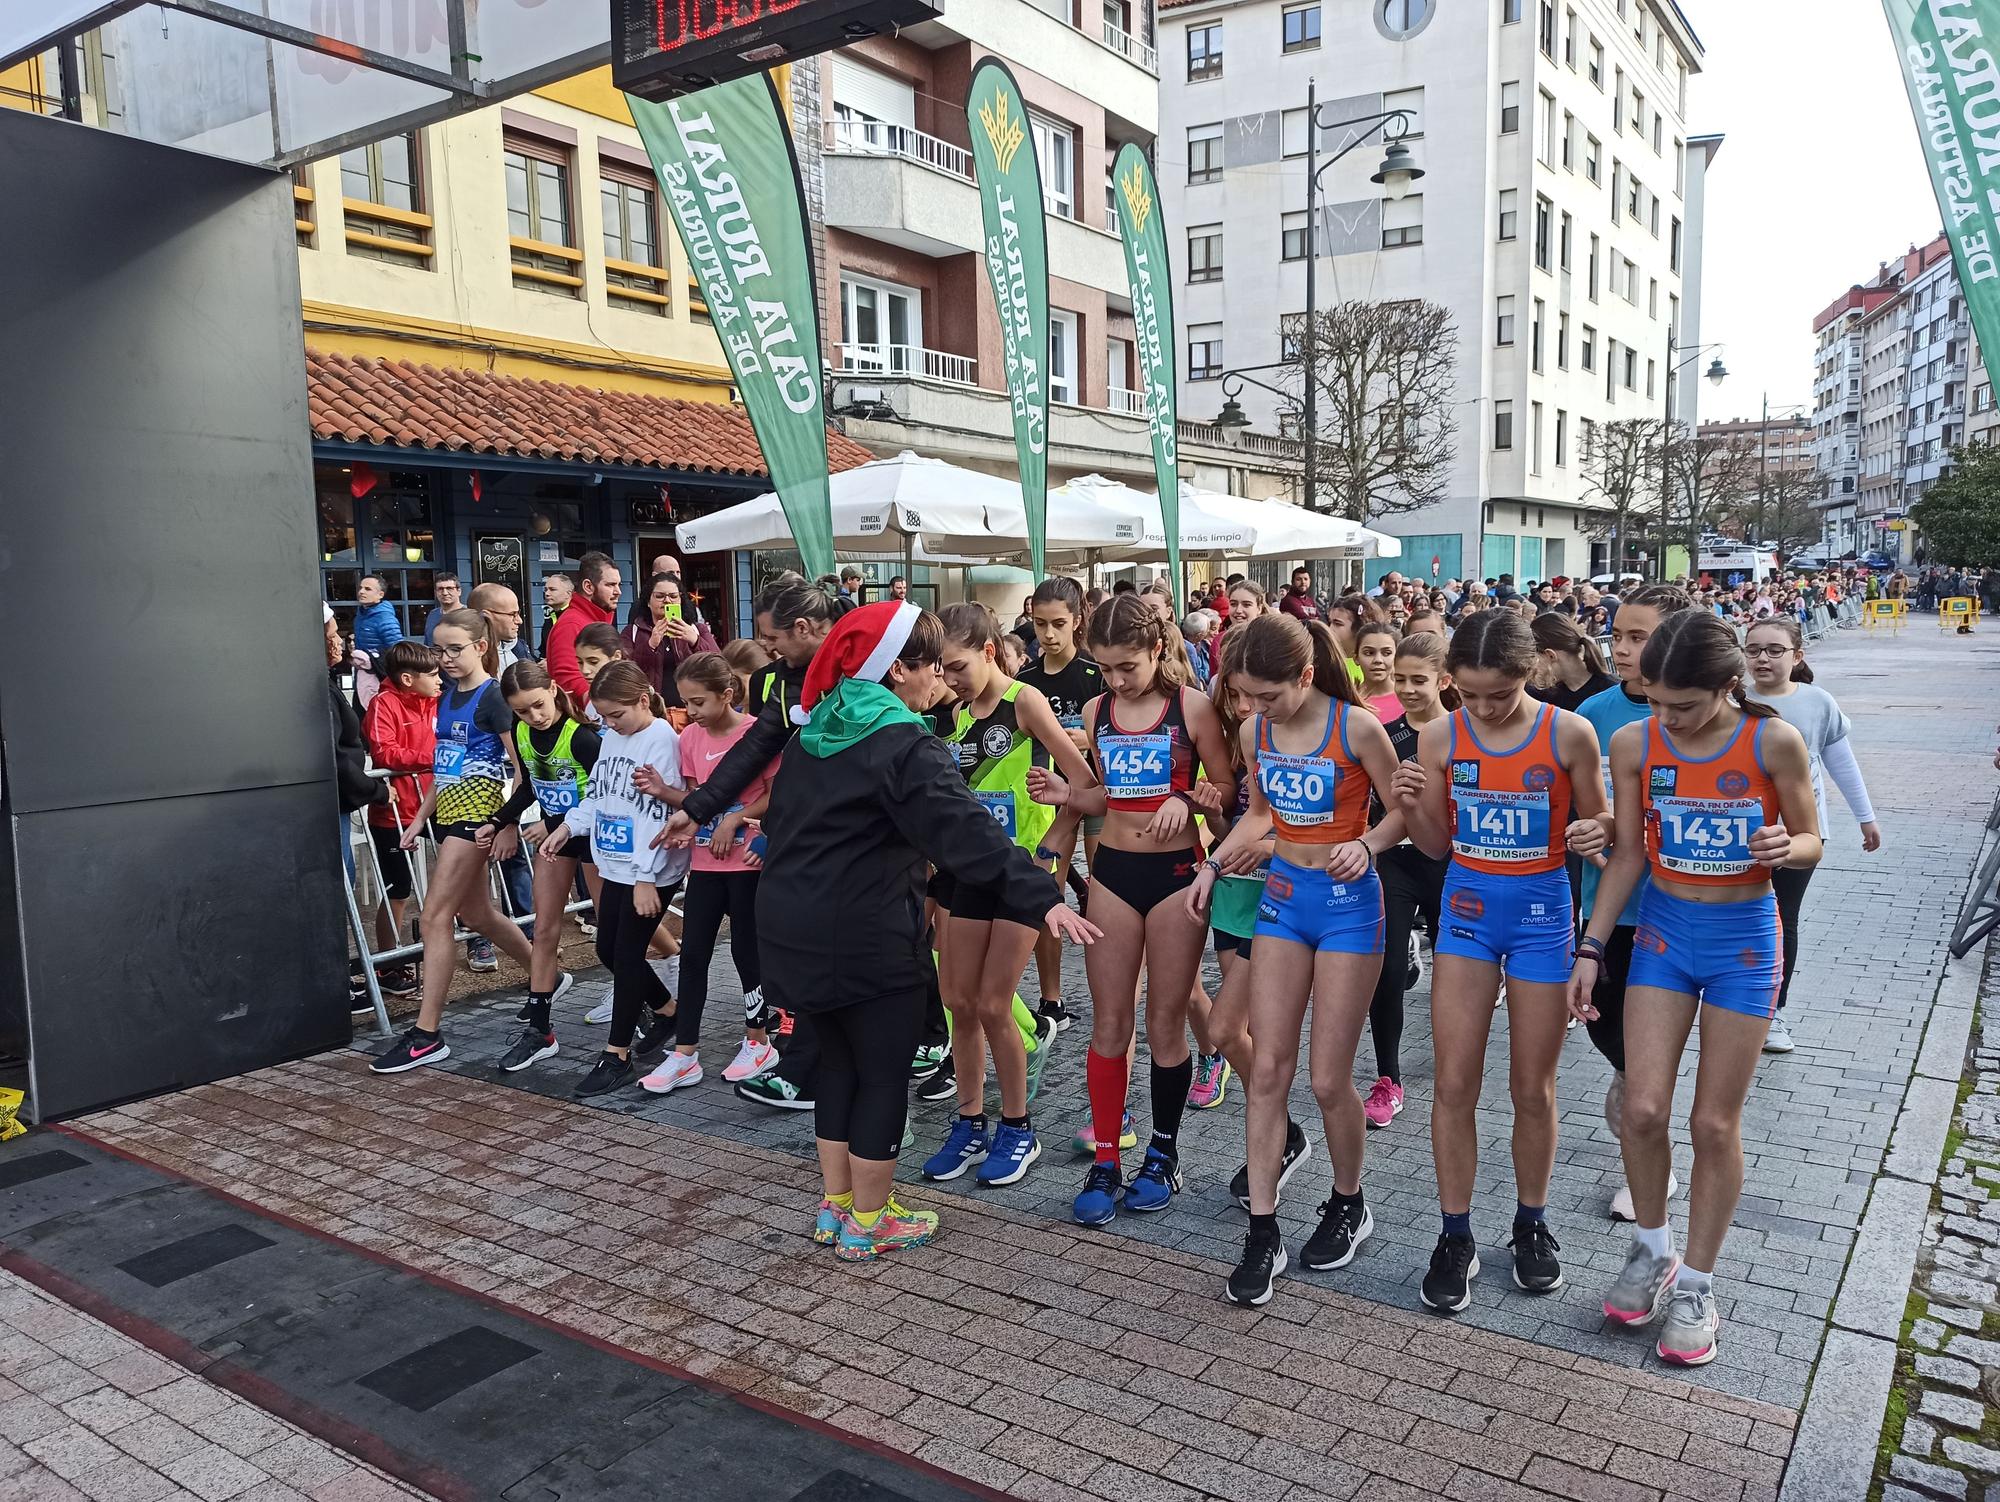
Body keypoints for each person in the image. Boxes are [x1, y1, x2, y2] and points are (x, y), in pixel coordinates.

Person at [758, 601, 1098, 1261]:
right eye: (930, 668)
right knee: (882, 1072)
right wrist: (1038, 893)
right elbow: (966, 828)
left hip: (792, 921)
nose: (937, 683)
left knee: (836, 1065)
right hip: (864, 928)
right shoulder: (903, 741)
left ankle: (835, 1206)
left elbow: (784, 824)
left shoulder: (814, 732)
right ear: (898, 669)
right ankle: (870, 1218)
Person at [1575, 611, 1822, 1367]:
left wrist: (1789, 846)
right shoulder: (1632, 743)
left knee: (1714, 1124)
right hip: (1662, 936)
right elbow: (1625, 857)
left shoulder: (1772, 740)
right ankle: (1654, 1252)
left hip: (1744, 940)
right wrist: (1589, 944)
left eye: (1683, 706)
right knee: (1643, 1108)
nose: (1666, 719)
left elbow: (1813, 838)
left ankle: (1699, 1286)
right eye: (1655, 702)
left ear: (1728, 686)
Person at [1391, 610, 1609, 1313]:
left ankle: (1532, 1223)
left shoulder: (1567, 732)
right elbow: (1431, 846)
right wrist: (1413, 803)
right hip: (1467, 916)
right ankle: (1455, 1234)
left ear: (1530, 673)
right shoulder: (1439, 734)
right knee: (1454, 1083)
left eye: (1500, 693)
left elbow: (1604, 830)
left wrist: (1590, 832)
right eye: (1471, 693)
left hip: (1544, 917)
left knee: (1531, 1087)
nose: (1483, 707)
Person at [1188, 614, 1404, 1306]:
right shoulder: (1256, 732)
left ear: (1306, 676)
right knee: (1267, 1071)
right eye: (1243, 695)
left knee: (1327, 1078)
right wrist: (1213, 864)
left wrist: (1369, 845)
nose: (1252, 710)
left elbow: (1401, 809)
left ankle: (1349, 1201)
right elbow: (1260, 815)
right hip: (1282, 902)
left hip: (1348, 909)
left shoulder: (1357, 728)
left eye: (1266, 696)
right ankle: (1262, 1229)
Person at [1028, 593, 1235, 1227]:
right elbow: (1099, 795)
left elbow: (1228, 792)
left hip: (1175, 878)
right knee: (1111, 1023)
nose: (1117, 679)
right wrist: (1071, 794)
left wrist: (1195, 799)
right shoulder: (1096, 709)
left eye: (1128, 667)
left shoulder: (1192, 708)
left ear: (1157, 649)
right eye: (1107, 667)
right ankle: (1107, 1159)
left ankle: (1163, 1153)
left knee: (1167, 1022)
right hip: (1112, 876)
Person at [919, 605, 1094, 1187]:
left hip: (1019, 874)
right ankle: (970, 1122)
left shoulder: (1025, 701)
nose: (948, 678)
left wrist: (1050, 847)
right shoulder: (954, 714)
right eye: (941, 669)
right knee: (957, 1000)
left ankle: (1017, 1128)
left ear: (990, 651)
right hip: (963, 872)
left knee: (995, 1004)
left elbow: (1084, 786)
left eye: (957, 666)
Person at [663, 579, 836, 1111]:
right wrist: (695, 809)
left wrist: (747, 821)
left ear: (803, 629)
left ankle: (918, 1042)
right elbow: (759, 750)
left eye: (772, 638)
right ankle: (794, 1057)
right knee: (798, 948)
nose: (769, 649)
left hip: (844, 835)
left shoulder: (859, 670)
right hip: (797, 838)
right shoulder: (774, 680)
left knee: (828, 950)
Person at [1574, 584, 1694, 1222]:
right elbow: (1572, 801)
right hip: (1610, 911)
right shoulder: (1595, 715)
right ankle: (1639, 1115)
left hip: (1676, 915)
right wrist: (1587, 826)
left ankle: (1654, 1167)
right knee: (1615, 1044)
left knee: (1644, 1074)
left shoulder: (1709, 718)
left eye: (1637, 637)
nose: (1619, 648)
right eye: (1616, 634)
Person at [371, 608, 535, 1073]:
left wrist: (505, 822)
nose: (444, 659)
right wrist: (419, 817)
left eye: (454, 650)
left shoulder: (494, 698)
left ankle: (427, 1034)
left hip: (476, 818)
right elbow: (441, 768)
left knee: (435, 918)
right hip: (445, 815)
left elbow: (520, 770)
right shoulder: (445, 697)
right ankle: (549, 977)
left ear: (480, 647)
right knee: (478, 913)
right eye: (439, 650)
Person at [628, 652, 781, 1093]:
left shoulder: (757, 734)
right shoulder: (690, 737)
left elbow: (776, 794)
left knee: (746, 953)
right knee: (694, 954)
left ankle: (759, 1041)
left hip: (747, 862)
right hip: (705, 862)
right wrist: (668, 797)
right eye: (685, 702)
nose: (690, 712)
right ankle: (685, 1054)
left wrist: (738, 821)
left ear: (727, 695)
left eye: (698, 702)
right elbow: (699, 799)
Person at [539, 661, 690, 1096]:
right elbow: (600, 793)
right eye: (603, 717)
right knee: (609, 948)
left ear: (643, 701)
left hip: (651, 868)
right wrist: (568, 827)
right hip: (616, 862)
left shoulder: (660, 738)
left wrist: (646, 876)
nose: (608, 724)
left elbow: (656, 812)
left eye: (616, 715)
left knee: (625, 955)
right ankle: (666, 1010)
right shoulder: (612, 738)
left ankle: (617, 1053)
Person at [1743, 616, 1882, 1055]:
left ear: (1797, 656)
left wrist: (1866, 817)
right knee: (1737, 918)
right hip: (1737, 835)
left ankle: (1773, 1012)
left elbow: (1841, 763)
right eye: (1753, 649)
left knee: (1782, 918)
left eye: (1774, 650)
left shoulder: (1818, 702)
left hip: (1800, 837)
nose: (1762, 658)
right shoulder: (1728, 699)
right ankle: (1731, 1005)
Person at [1359, 632, 1453, 1135]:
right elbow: (1376, 803)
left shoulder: (1464, 732)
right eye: (1402, 679)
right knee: (1387, 970)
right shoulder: (1386, 733)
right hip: (1395, 863)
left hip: (1452, 867)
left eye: (1420, 680)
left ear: (1444, 680)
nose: (1410, 689)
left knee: (1454, 980)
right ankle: (1388, 1078)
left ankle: (1454, 1067)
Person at [482, 660, 593, 1072]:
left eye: (539, 705)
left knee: (618, 932)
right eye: (522, 711)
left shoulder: (581, 737)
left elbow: (605, 793)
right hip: (556, 841)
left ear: (552, 688)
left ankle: (660, 987)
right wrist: (500, 820)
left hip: (593, 838)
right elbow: (531, 785)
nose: (534, 716)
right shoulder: (525, 733)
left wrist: (554, 822)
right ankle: (541, 1031)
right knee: (545, 928)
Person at [1016, 576, 1105, 1033]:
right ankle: (1051, 999)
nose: (1048, 635)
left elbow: (1121, 731)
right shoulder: (1024, 681)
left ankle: (1113, 988)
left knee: (1104, 893)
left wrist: (1087, 738)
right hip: (1043, 801)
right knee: (1047, 894)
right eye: (1039, 624)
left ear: (1078, 621)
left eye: (1058, 624)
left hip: (1096, 796)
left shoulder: (1095, 673)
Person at [360, 640, 441, 998]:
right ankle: (390, 964)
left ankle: (461, 942)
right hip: (393, 812)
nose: (440, 680)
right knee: (398, 889)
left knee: (458, 874)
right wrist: (436, 755)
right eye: (433, 674)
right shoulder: (383, 703)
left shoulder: (437, 701)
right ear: (408, 678)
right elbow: (384, 751)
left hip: (436, 803)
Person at [623, 571, 719, 707]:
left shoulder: (697, 629)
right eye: (659, 596)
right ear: (648, 602)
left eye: (673, 596)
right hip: (650, 712)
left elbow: (718, 665)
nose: (667, 601)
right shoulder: (632, 632)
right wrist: (650, 645)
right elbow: (625, 672)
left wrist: (695, 641)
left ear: (681, 600)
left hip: (692, 711)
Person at [546, 552, 623, 700]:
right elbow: (568, 680)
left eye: (618, 584)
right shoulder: (571, 624)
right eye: (610, 585)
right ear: (588, 586)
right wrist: (600, 708)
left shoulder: (592, 619)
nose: (618, 591)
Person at [471, 583, 536, 669]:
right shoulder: (465, 656)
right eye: (512, 614)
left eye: (518, 613)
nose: (519, 621)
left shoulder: (519, 648)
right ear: (486, 616)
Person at [1353, 620, 1402, 721]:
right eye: (1369, 653)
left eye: (1387, 653)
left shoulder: (1408, 698)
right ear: (1356, 658)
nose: (1378, 660)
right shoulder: (1347, 700)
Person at [353, 576, 404, 665]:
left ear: (380, 594)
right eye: (360, 588)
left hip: (381, 672)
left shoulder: (386, 619)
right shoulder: (361, 615)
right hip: (364, 669)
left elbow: (398, 651)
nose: (361, 592)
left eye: (368, 589)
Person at [424, 572, 463, 644]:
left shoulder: (469, 614)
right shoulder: (432, 615)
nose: (445, 593)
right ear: (435, 593)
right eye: (440, 589)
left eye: (449, 588)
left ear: (459, 591)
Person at [541, 571, 573, 654]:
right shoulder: (550, 618)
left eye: (552, 589)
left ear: (568, 594)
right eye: (545, 590)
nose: (547, 593)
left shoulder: (576, 617)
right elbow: (543, 650)